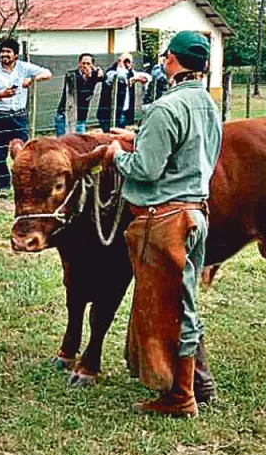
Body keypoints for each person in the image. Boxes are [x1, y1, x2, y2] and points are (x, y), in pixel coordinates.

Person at [103, 31, 223, 418]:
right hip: (194, 214)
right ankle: (189, 385)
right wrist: (139, 137)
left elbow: (146, 170)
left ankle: (180, 397)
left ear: (172, 60)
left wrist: (116, 154)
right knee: (184, 301)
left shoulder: (164, 107)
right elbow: (187, 152)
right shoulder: (208, 105)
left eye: (165, 55)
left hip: (164, 220)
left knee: (171, 309)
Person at [0, 39, 51, 197]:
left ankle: (24, 182)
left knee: (21, 151)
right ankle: (3, 186)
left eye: (8, 52)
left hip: (18, 116)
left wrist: (32, 80)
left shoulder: (24, 68)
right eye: (2, 52)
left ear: (16, 54)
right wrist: (2, 95)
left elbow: (48, 73)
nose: (4, 55)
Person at [96, 53, 151, 132]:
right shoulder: (111, 72)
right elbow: (120, 76)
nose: (128, 64)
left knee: (120, 134)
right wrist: (123, 67)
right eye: (126, 61)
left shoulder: (130, 72)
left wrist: (136, 77)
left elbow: (147, 77)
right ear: (119, 61)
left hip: (124, 110)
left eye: (129, 62)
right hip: (108, 112)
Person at [54, 53, 104, 135]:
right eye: (83, 63)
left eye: (88, 64)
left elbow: (104, 78)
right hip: (65, 116)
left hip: (80, 118)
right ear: (79, 63)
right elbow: (78, 90)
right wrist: (88, 77)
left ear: (92, 65)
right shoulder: (72, 75)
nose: (85, 66)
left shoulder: (94, 75)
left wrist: (99, 70)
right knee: (63, 143)